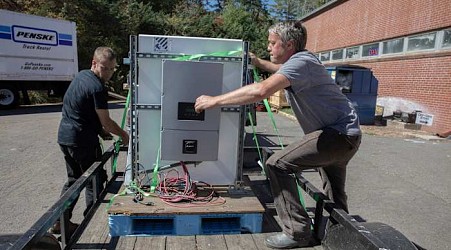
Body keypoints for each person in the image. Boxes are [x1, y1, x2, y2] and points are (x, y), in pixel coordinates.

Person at [195, 21, 361, 249]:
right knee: (334, 191)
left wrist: (214, 101)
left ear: (289, 44)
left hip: (336, 135)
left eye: (273, 43)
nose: (269, 47)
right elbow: (276, 69)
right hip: (346, 135)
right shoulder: (302, 62)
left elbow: (261, 90)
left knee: (277, 164)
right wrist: (258, 62)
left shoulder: (300, 63)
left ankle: (297, 231)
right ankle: (339, 236)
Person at [51, 47, 129, 235]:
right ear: (94, 63)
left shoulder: (81, 76)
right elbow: (107, 122)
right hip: (82, 141)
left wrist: (100, 131)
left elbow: (83, 110)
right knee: (94, 180)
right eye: (105, 68)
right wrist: (124, 136)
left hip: (66, 137)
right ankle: (89, 226)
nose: (108, 73)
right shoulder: (97, 87)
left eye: (112, 69)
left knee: (73, 180)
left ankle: (59, 222)